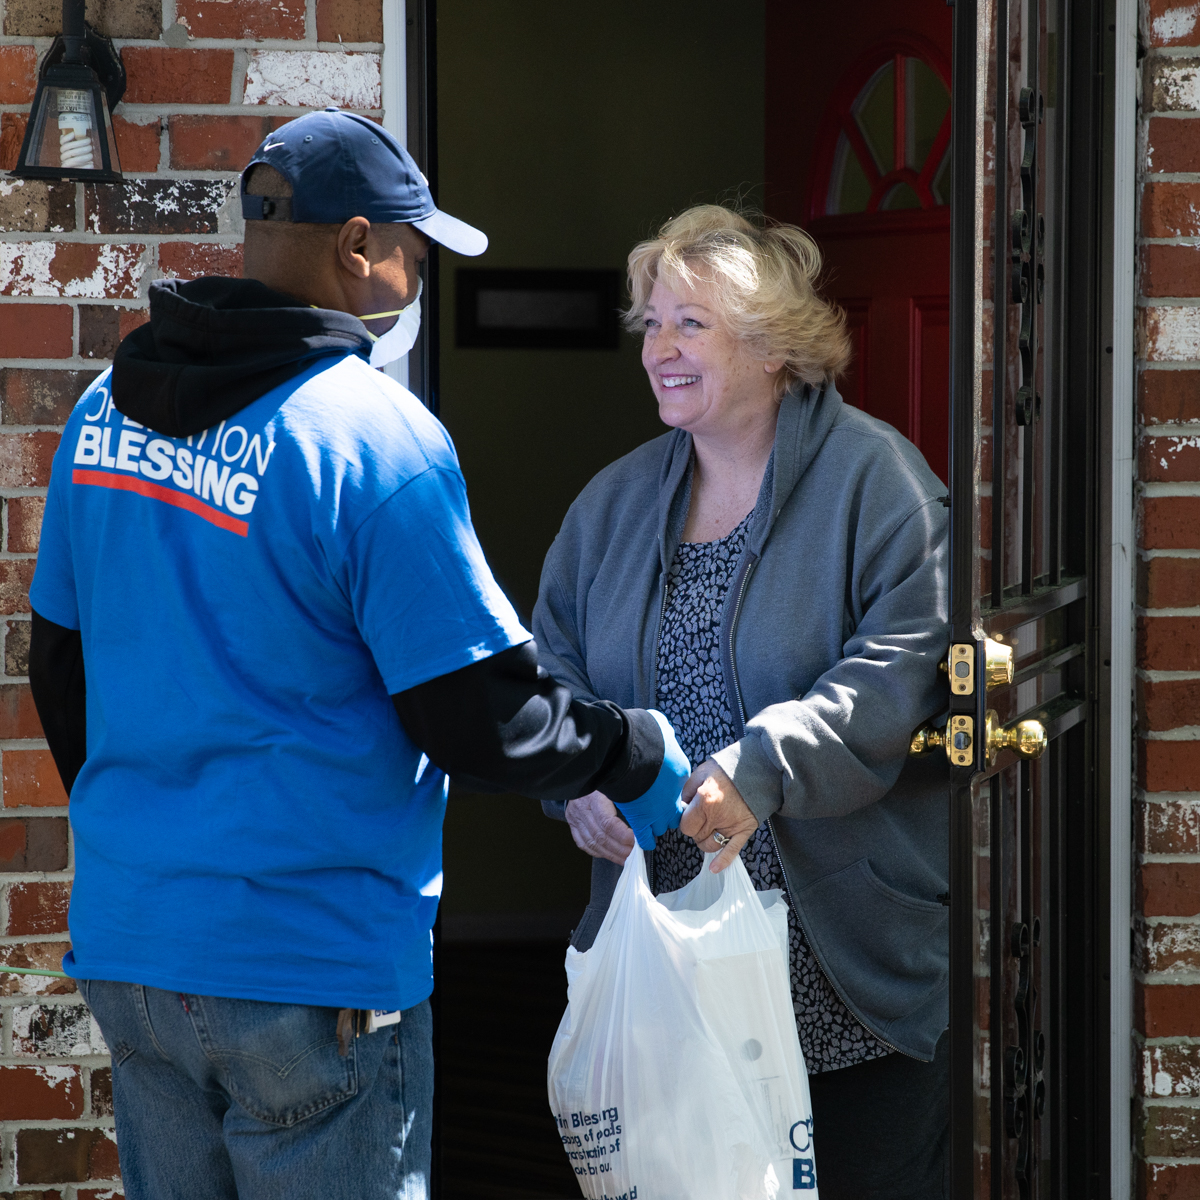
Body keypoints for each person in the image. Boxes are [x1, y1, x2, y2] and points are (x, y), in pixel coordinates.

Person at [26, 108, 689, 1200]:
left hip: (133, 949)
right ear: (356, 248)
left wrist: (154, 836)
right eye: (413, 256)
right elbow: (478, 719)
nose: (415, 284)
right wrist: (632, 753)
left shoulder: (104, 417)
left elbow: (60, 670)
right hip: (308, 968)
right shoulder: (372, 436)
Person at [536, 205, 951, 1200]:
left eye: (692, 324)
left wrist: (756, 772)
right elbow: (548, 672)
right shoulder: (614, 504)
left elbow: (898, 668)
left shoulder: (876, 480)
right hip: (672, 975)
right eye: (652, 323)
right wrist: (577, 781)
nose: (660, 350)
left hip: (842, 971)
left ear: (771, 348)